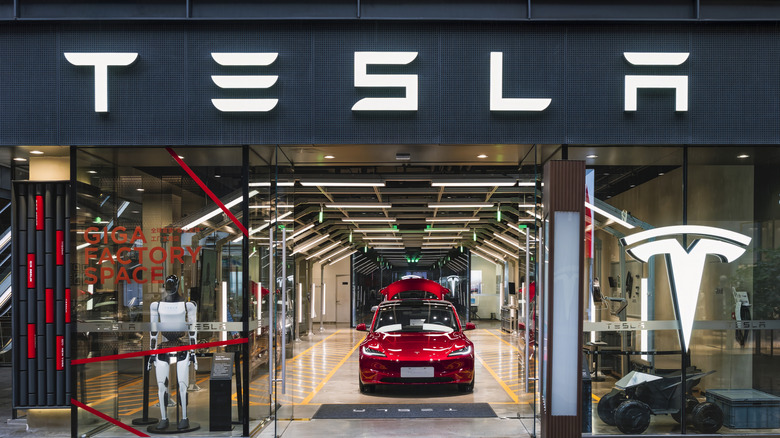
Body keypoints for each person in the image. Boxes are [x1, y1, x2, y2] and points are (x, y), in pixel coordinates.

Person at [148, 275, 198, 431]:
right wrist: (152, 353)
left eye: (172, 284)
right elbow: (153, 331)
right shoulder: (156, 305)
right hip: (164, 347)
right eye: (167, 285)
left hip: (182, 347)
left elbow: (192, 329)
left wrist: (193, 352)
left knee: (182, 385)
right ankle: (164, 418)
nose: (170, 287)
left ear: (177, 285)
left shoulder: (188, 305)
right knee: (161, 385)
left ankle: (184, 417)